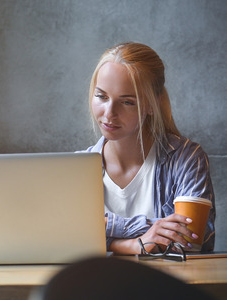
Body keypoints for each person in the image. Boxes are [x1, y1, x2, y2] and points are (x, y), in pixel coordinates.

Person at [84, 42, 215, 254]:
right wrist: (134, 244)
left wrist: (105, 230)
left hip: (164, 286)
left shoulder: (187, 158)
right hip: (97, 286)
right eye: (101, 96)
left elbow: (188, 242)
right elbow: (65, 242)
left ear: (151, 105)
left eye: (127, 102)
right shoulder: (76, 169)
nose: (109, 113)